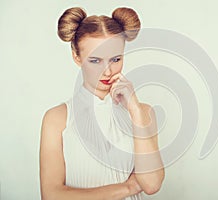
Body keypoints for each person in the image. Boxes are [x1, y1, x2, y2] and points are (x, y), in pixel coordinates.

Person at [39, 6, 165, 200]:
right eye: (95, 61)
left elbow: (151, 184)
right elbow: (51, 195)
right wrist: (128, 188)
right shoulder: (57, 119)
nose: (107, 71)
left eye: (115, 59)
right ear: (76, 56)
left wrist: (135, 110)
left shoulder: (143, 112)